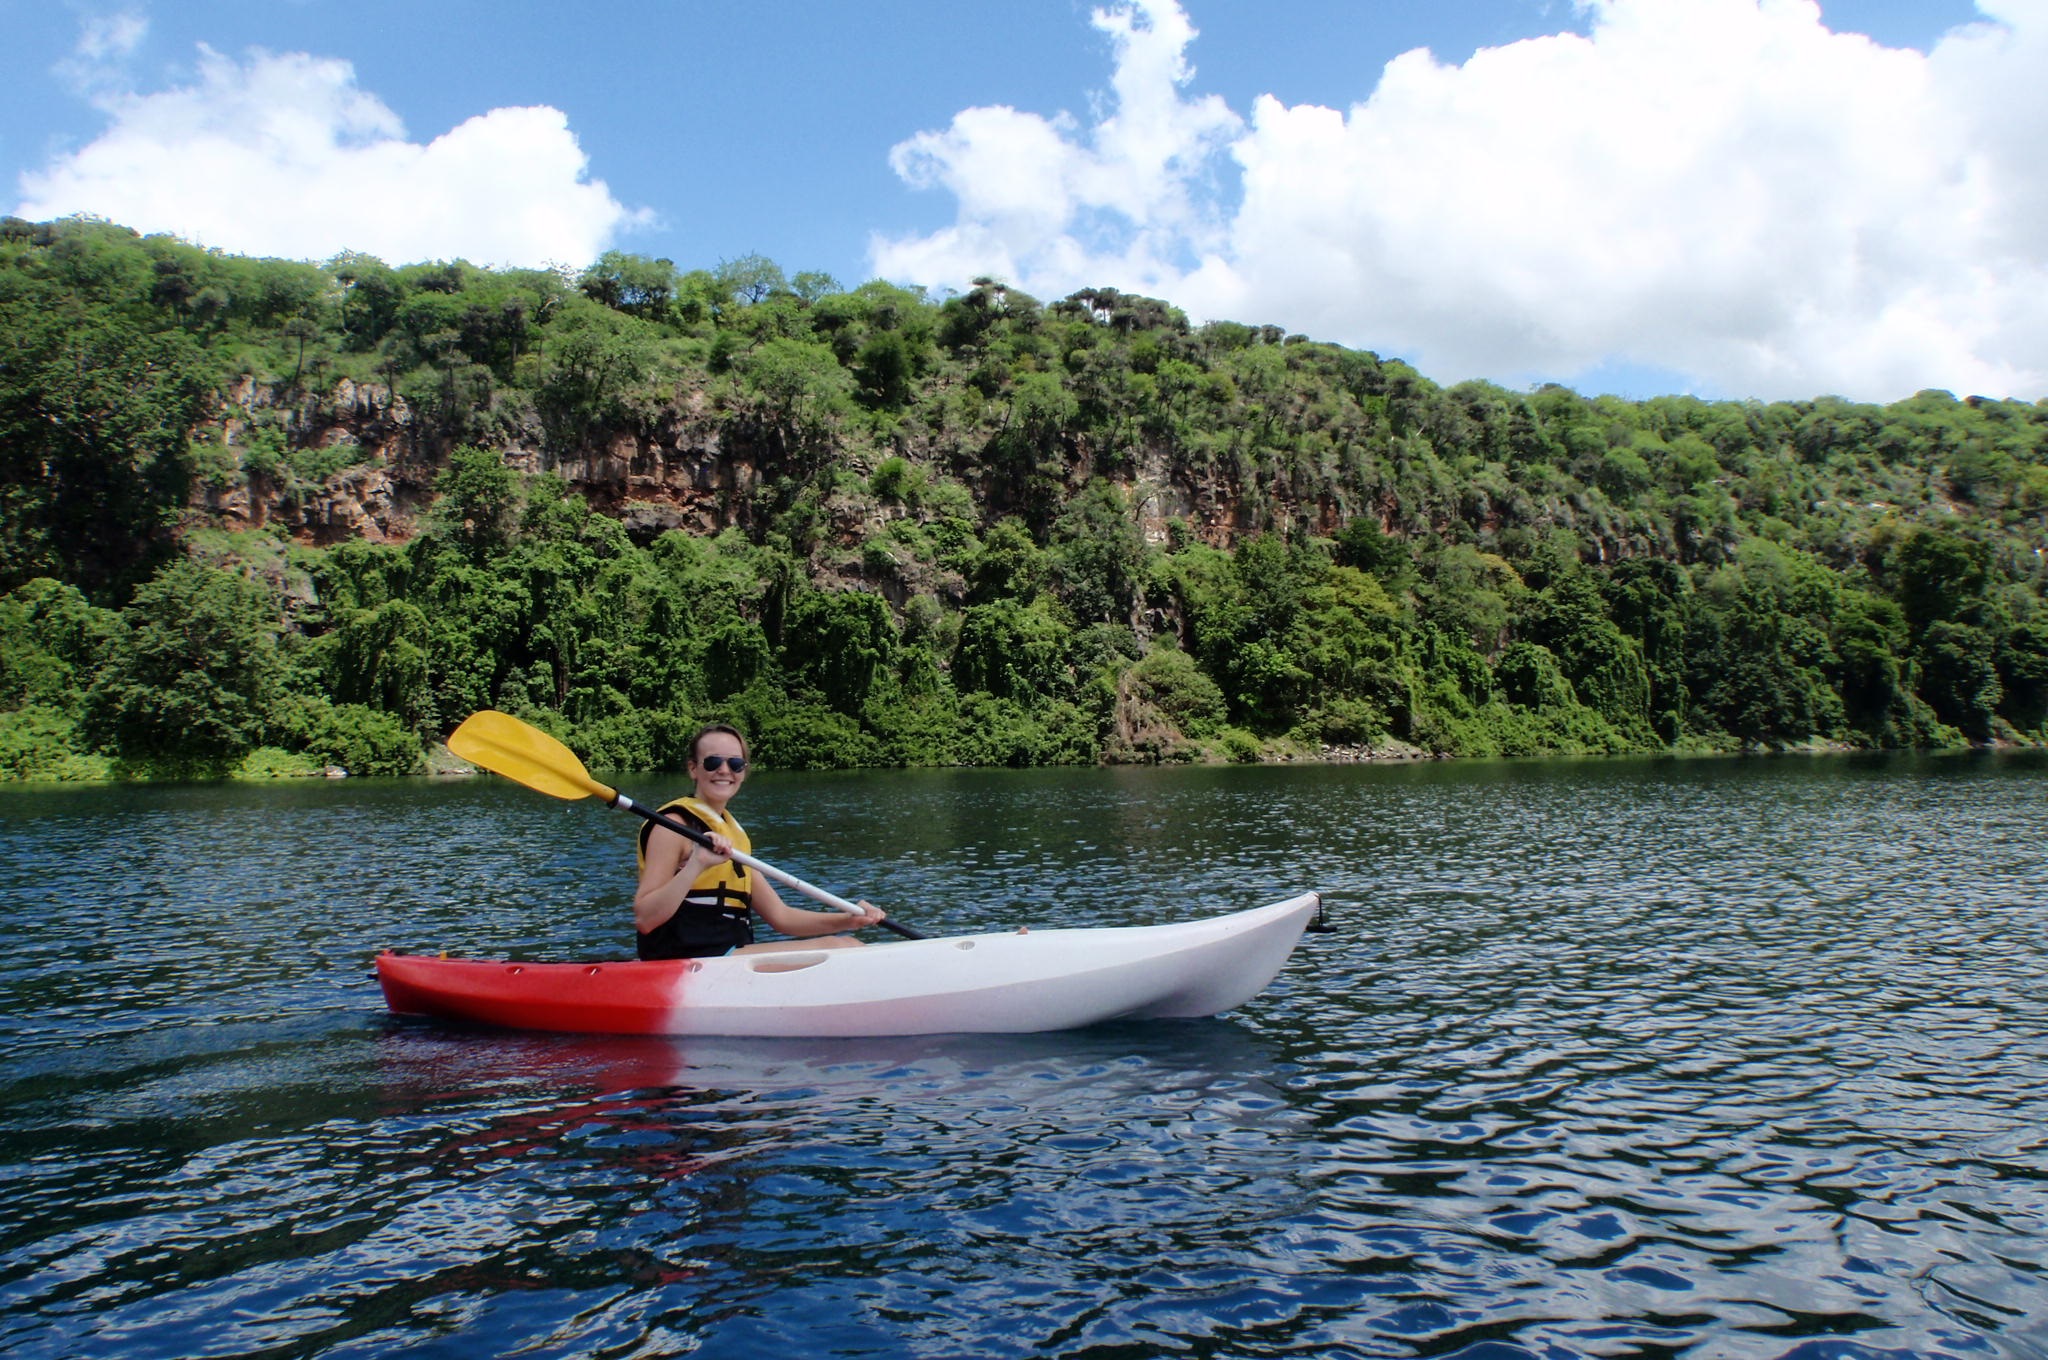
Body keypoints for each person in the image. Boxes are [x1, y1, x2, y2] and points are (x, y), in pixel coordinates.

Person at [634, 723, 885, 960]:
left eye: (735, 763)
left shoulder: (733, 836)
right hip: (685, 960)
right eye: (712, 762)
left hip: (728, 957)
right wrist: (696, 864)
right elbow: (646, 918)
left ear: (743, 771)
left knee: (848, 942)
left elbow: (782, 917)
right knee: (844, 949)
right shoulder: (673, 826)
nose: (724, 770)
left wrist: (849, 919)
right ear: (693, 769)